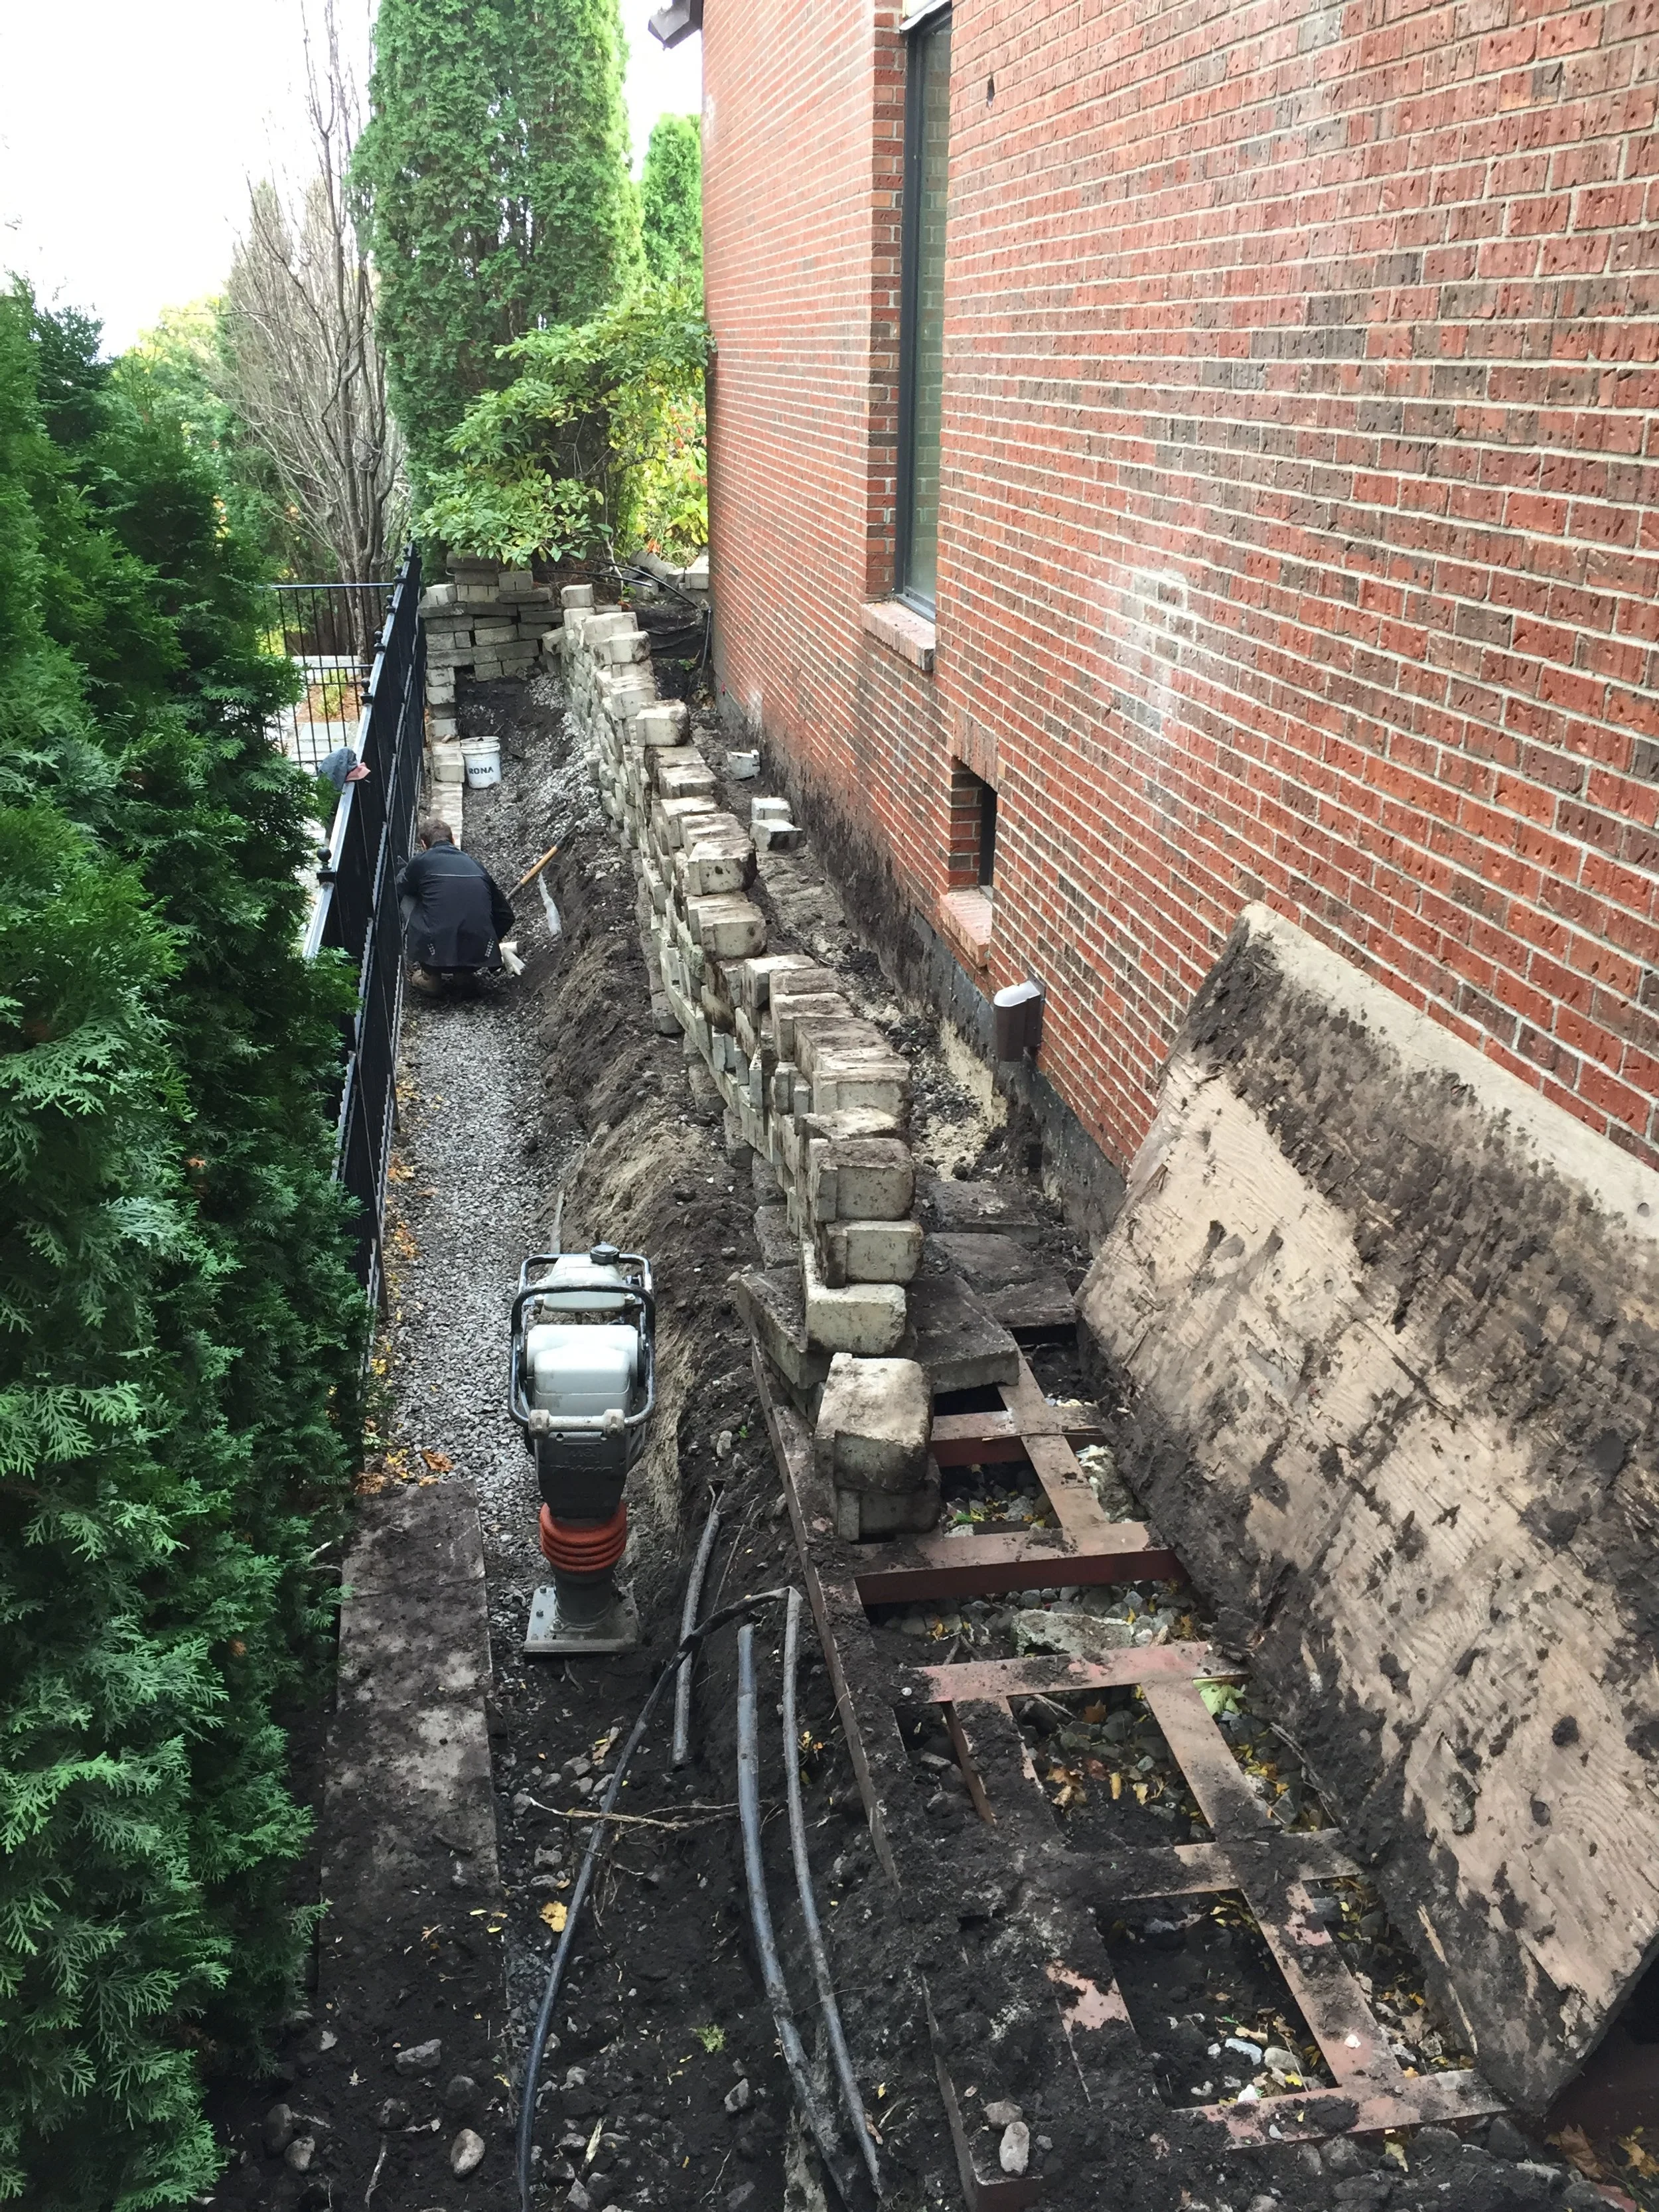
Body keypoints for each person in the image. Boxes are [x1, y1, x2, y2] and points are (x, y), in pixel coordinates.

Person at [396, 817, 516, 993]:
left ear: (423, 844)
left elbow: (401, 887)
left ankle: (431, 977)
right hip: (477, 950)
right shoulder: (476, 866)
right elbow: (506, 915)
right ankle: (464, 975)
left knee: (409, 898)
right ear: (453, 840)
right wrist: (488, 941)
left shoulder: (422, 861)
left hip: (436, 948)